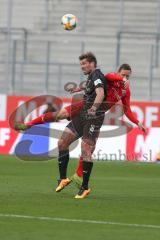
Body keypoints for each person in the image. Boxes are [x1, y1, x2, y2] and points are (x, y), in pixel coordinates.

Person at [14, 62, 146, 197]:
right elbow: (109, 76)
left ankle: (79, 178)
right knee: (60, 115)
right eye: (123, 75)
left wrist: (137, 122)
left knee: (88, 148)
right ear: (118, 73)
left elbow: (127, 109)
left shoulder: (125, 91)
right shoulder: (110, 79)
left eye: (128, 76)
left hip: (95, 116)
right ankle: (29, 124)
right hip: (84, 106)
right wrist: (121, 79)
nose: (125, 78)